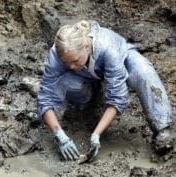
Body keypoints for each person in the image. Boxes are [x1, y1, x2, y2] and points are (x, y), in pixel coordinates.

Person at [37, 20, 174, 161]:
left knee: (143, 73)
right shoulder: (58, 53)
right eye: (66, 63)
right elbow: (45, 97)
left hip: (122, 59)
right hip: (85, 73)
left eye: (74, 61)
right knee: (66, 83)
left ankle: (162, 127)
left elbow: (117, 98)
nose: (70, 66)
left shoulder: (107, 47)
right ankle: (87, 104)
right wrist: (60, 135)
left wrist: (96, 134)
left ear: (87, 48)